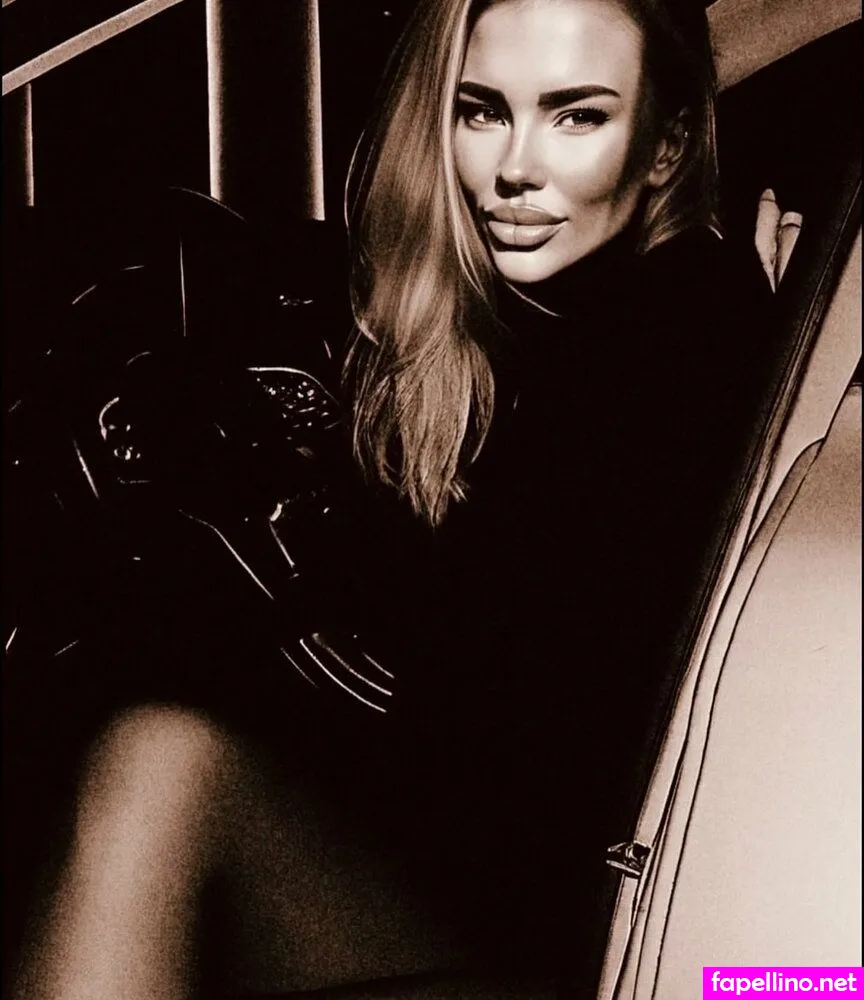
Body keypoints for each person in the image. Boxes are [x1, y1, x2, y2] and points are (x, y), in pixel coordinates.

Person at [7, 0, 775, 997]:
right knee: (145, 752)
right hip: (454, 883)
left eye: (578, 116)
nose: (515, 167)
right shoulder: (490, 331)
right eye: (482, 110)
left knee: (155, 766)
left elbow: (501, 722)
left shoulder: (686, 317)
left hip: (596, 929)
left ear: (666, 147)